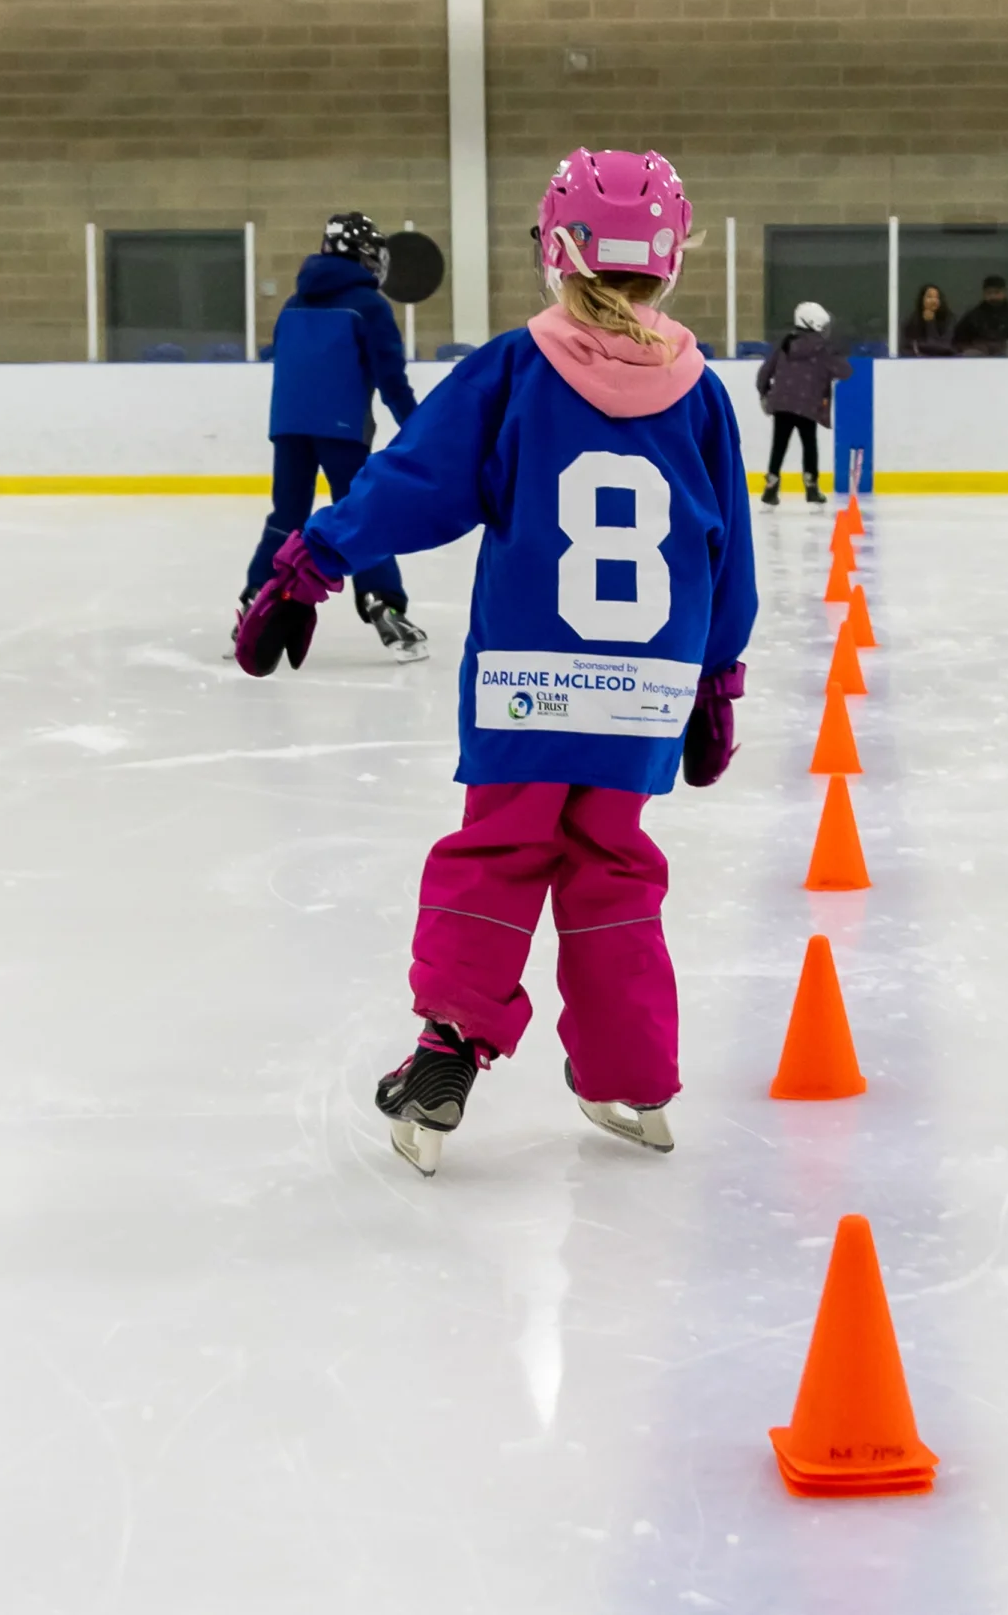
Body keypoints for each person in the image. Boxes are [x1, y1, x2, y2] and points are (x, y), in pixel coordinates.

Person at [232, 147, 757, 1179]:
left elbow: (414, 482)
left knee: (501, 851)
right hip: (645, 687)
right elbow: (725, 548)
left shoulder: (516, 367)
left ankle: (445, 1058)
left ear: (555, 252)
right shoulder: (699, 396)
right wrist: (717, 676)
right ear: (668, 260)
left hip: (529, 678)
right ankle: (633, 1075)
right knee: (613, 863)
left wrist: (309, 562)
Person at [241, 212, 429, 661]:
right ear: (365, 257)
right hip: (342, 428)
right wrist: (423, 428)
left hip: (288, 425)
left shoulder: (292, 303)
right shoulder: (368, 306)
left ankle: (255, 601)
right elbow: (391, 379)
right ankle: (381, 603)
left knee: (286, 516)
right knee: (362, 513)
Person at [755, 301, 851, 505]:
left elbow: (765, 371)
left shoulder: (784, 344)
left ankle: (771, 487)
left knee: (779, 444)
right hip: (808, 405)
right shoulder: (823, 349)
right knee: (809, 444)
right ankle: (811, 487)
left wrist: (764, 392)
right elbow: (844, 372)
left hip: (782, 403)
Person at [951, 275, 1008, 355]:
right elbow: (958, 340)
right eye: (989, 293)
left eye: (997, 292)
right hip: (980, 358)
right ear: (984, 293)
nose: (993, 296)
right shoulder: (973, 316)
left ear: (1004, 292)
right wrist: (974, 347)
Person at [898, 283, 954, 356]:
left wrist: (930, 323)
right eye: (929, 297)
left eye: (937, 297)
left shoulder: (948, 319)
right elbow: (906, 346)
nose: (933, 301)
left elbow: (945, 346)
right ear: (922, 300)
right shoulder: (912, 321)